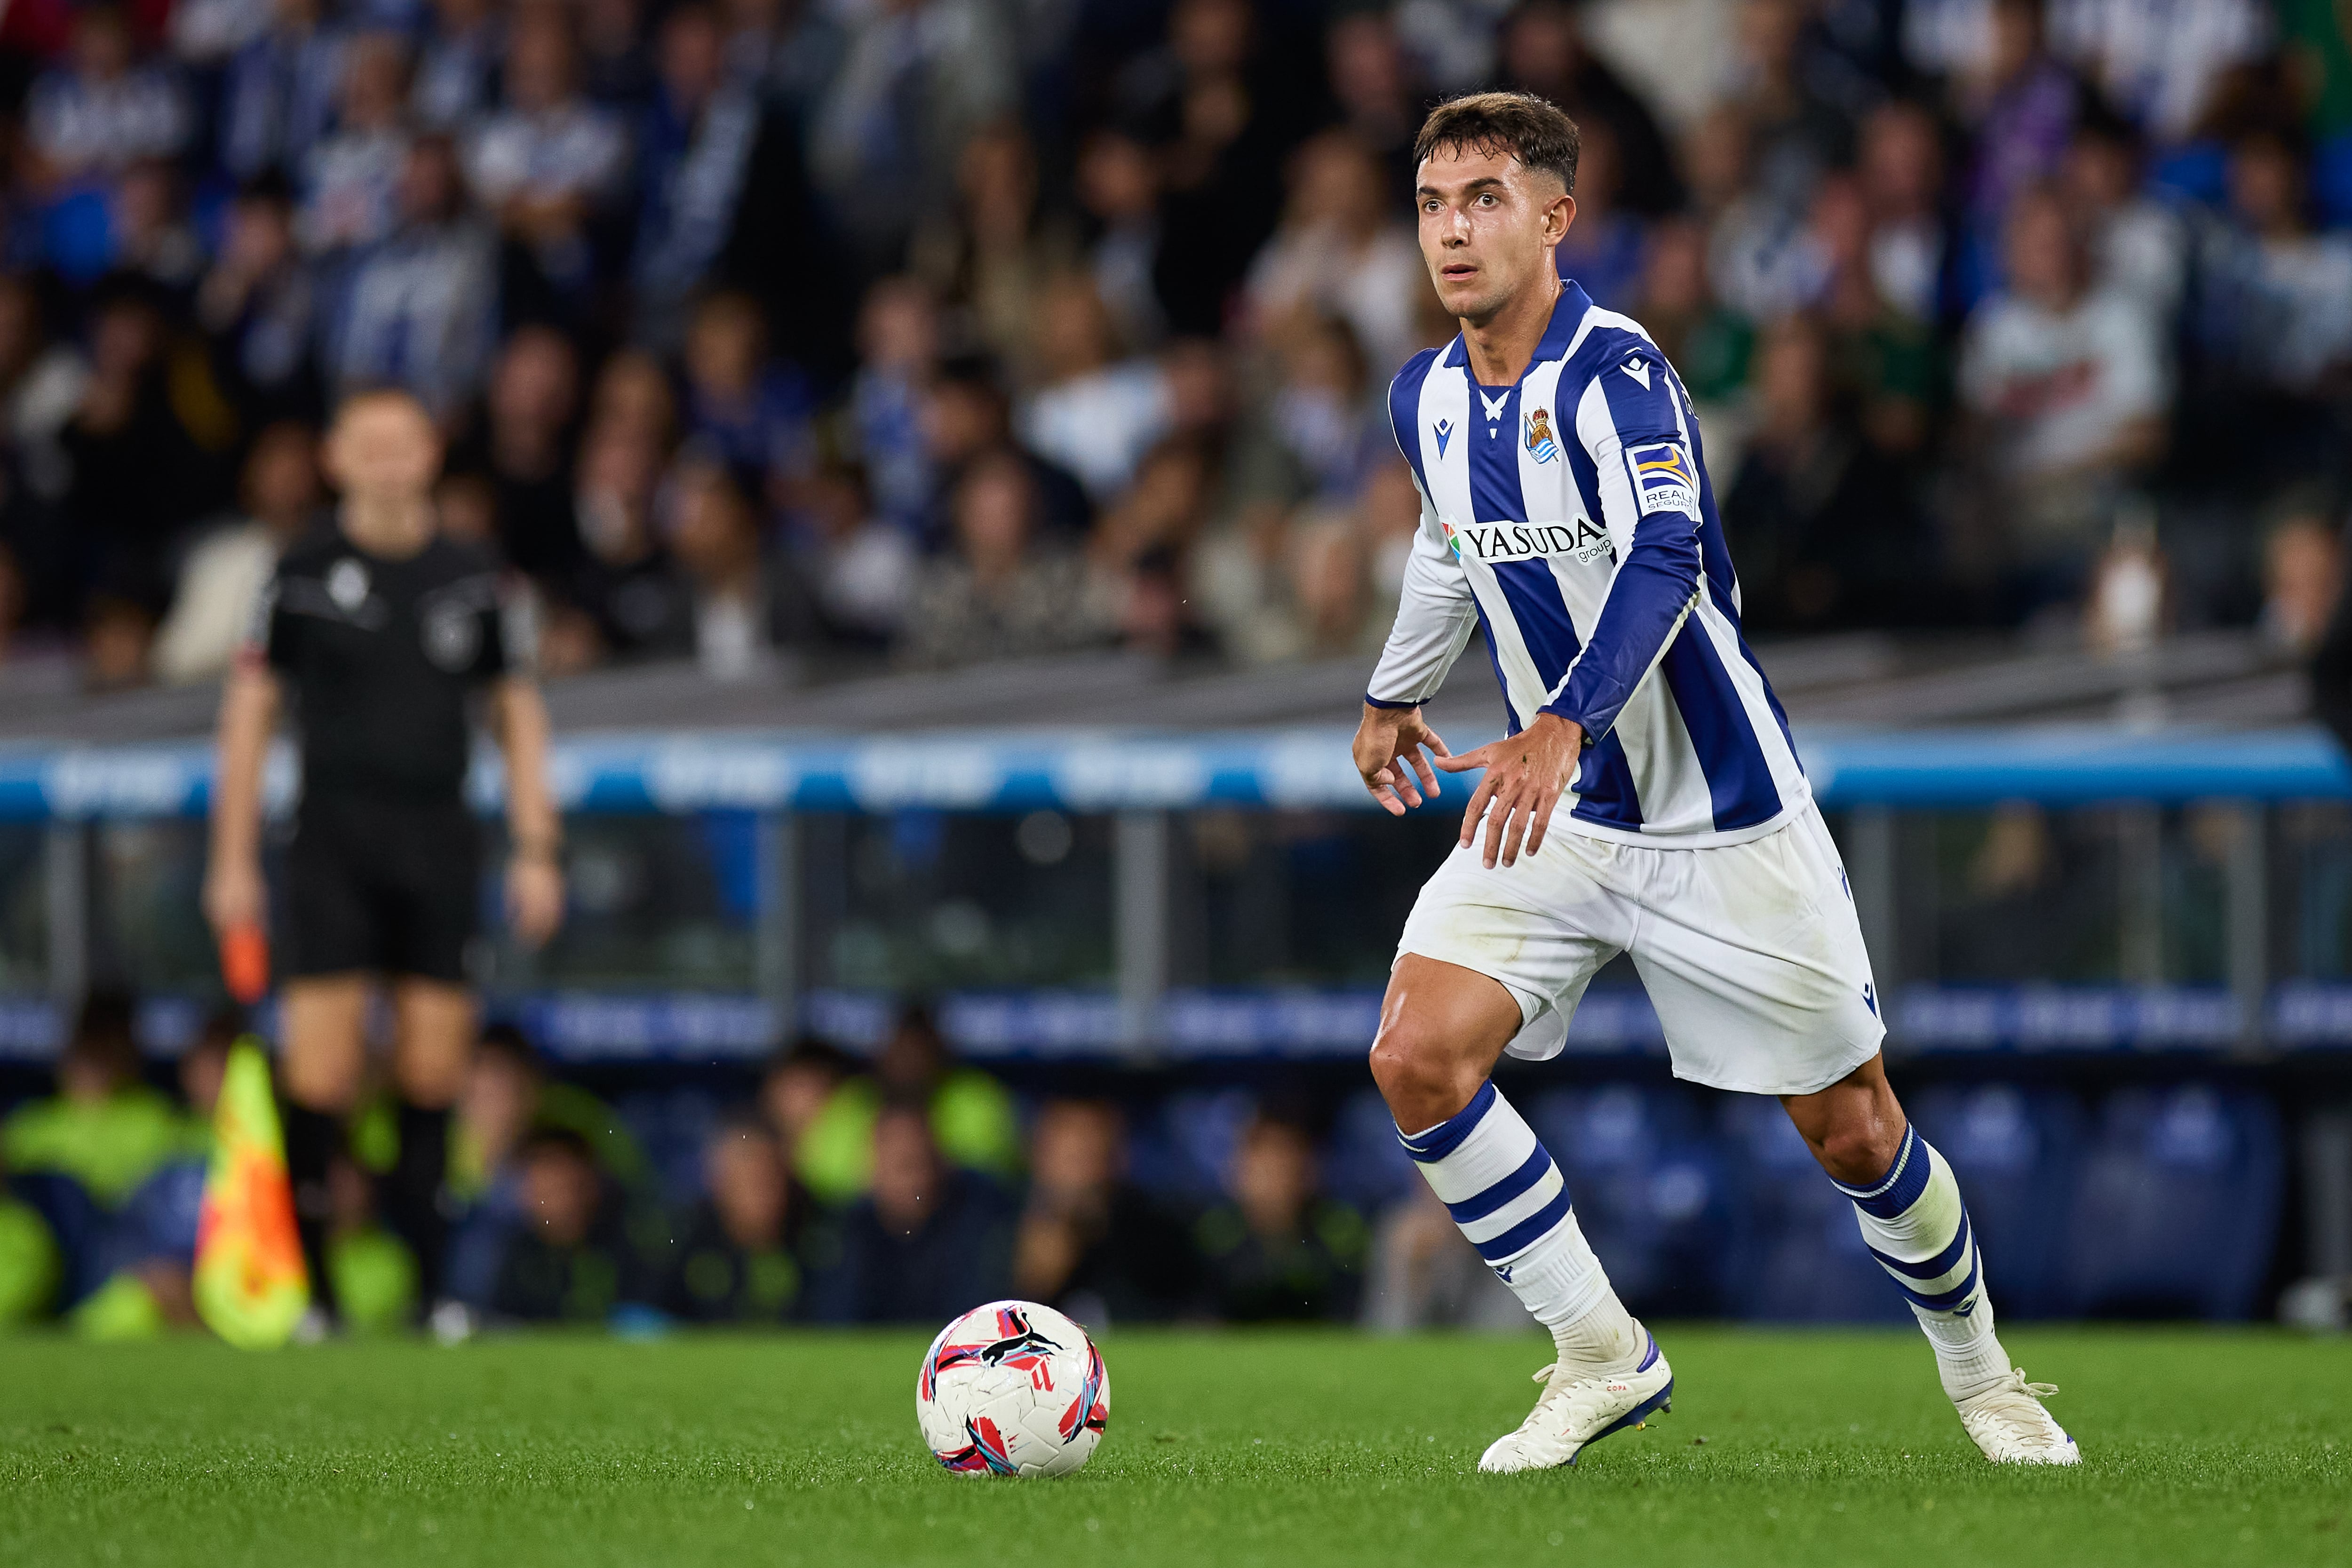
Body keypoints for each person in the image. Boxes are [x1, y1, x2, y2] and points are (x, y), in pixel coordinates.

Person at [1349, 93, 2076, 1472]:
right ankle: (1599, 1354)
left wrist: (1564, 713)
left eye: (1486, 199)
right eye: (1435, 202)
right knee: (1414, 1054)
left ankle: (1986, 1378)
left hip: (1721, 816)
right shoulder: (1424, 395)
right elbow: (1452, 545)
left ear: (1557, 218)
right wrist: (1395, 688)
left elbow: (1667, 556)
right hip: (1555, 809)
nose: (1453, 229)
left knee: (1854, 1129)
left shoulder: (1617, 373)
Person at [203, 388, 565, 1334]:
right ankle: (316, 1294)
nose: (386, 460)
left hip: (440, 835)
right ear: (336, 456)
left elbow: (518, 710)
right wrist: (231, 856)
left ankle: (434, 1290)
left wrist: (538, 844)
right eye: (367, 443)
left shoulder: (476, 573)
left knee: (434, 1067)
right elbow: (249, 712)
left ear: (432, 451)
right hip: (330, 837)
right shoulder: (301, 569)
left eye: (402, 442)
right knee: (319, 1068)